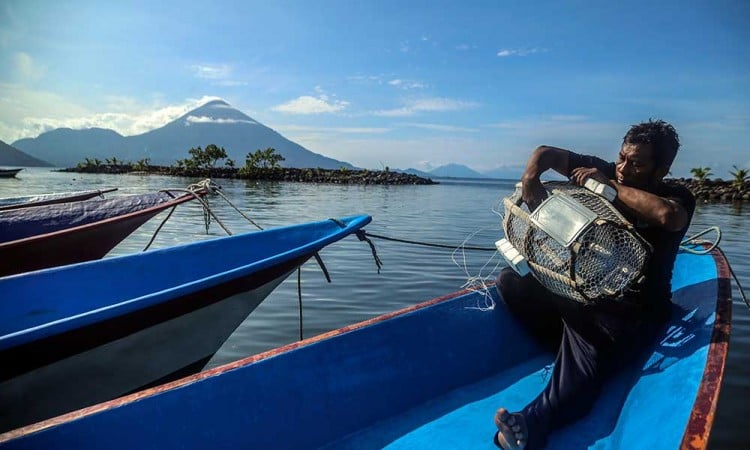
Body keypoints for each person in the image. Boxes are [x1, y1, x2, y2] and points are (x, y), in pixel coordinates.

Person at [493, 119, 696, 450]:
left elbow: (668, 217)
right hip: (583, 294)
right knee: (511, 283)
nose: (623, 168)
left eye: (637, 164)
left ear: (661, 169)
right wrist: (531, 178)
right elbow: (545, 153)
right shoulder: (606, 169)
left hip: (632, 312)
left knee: (591, 350)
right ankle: (568, 346)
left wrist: (609, 188)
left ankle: (531, 424)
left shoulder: (676, 196)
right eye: (621, 158)